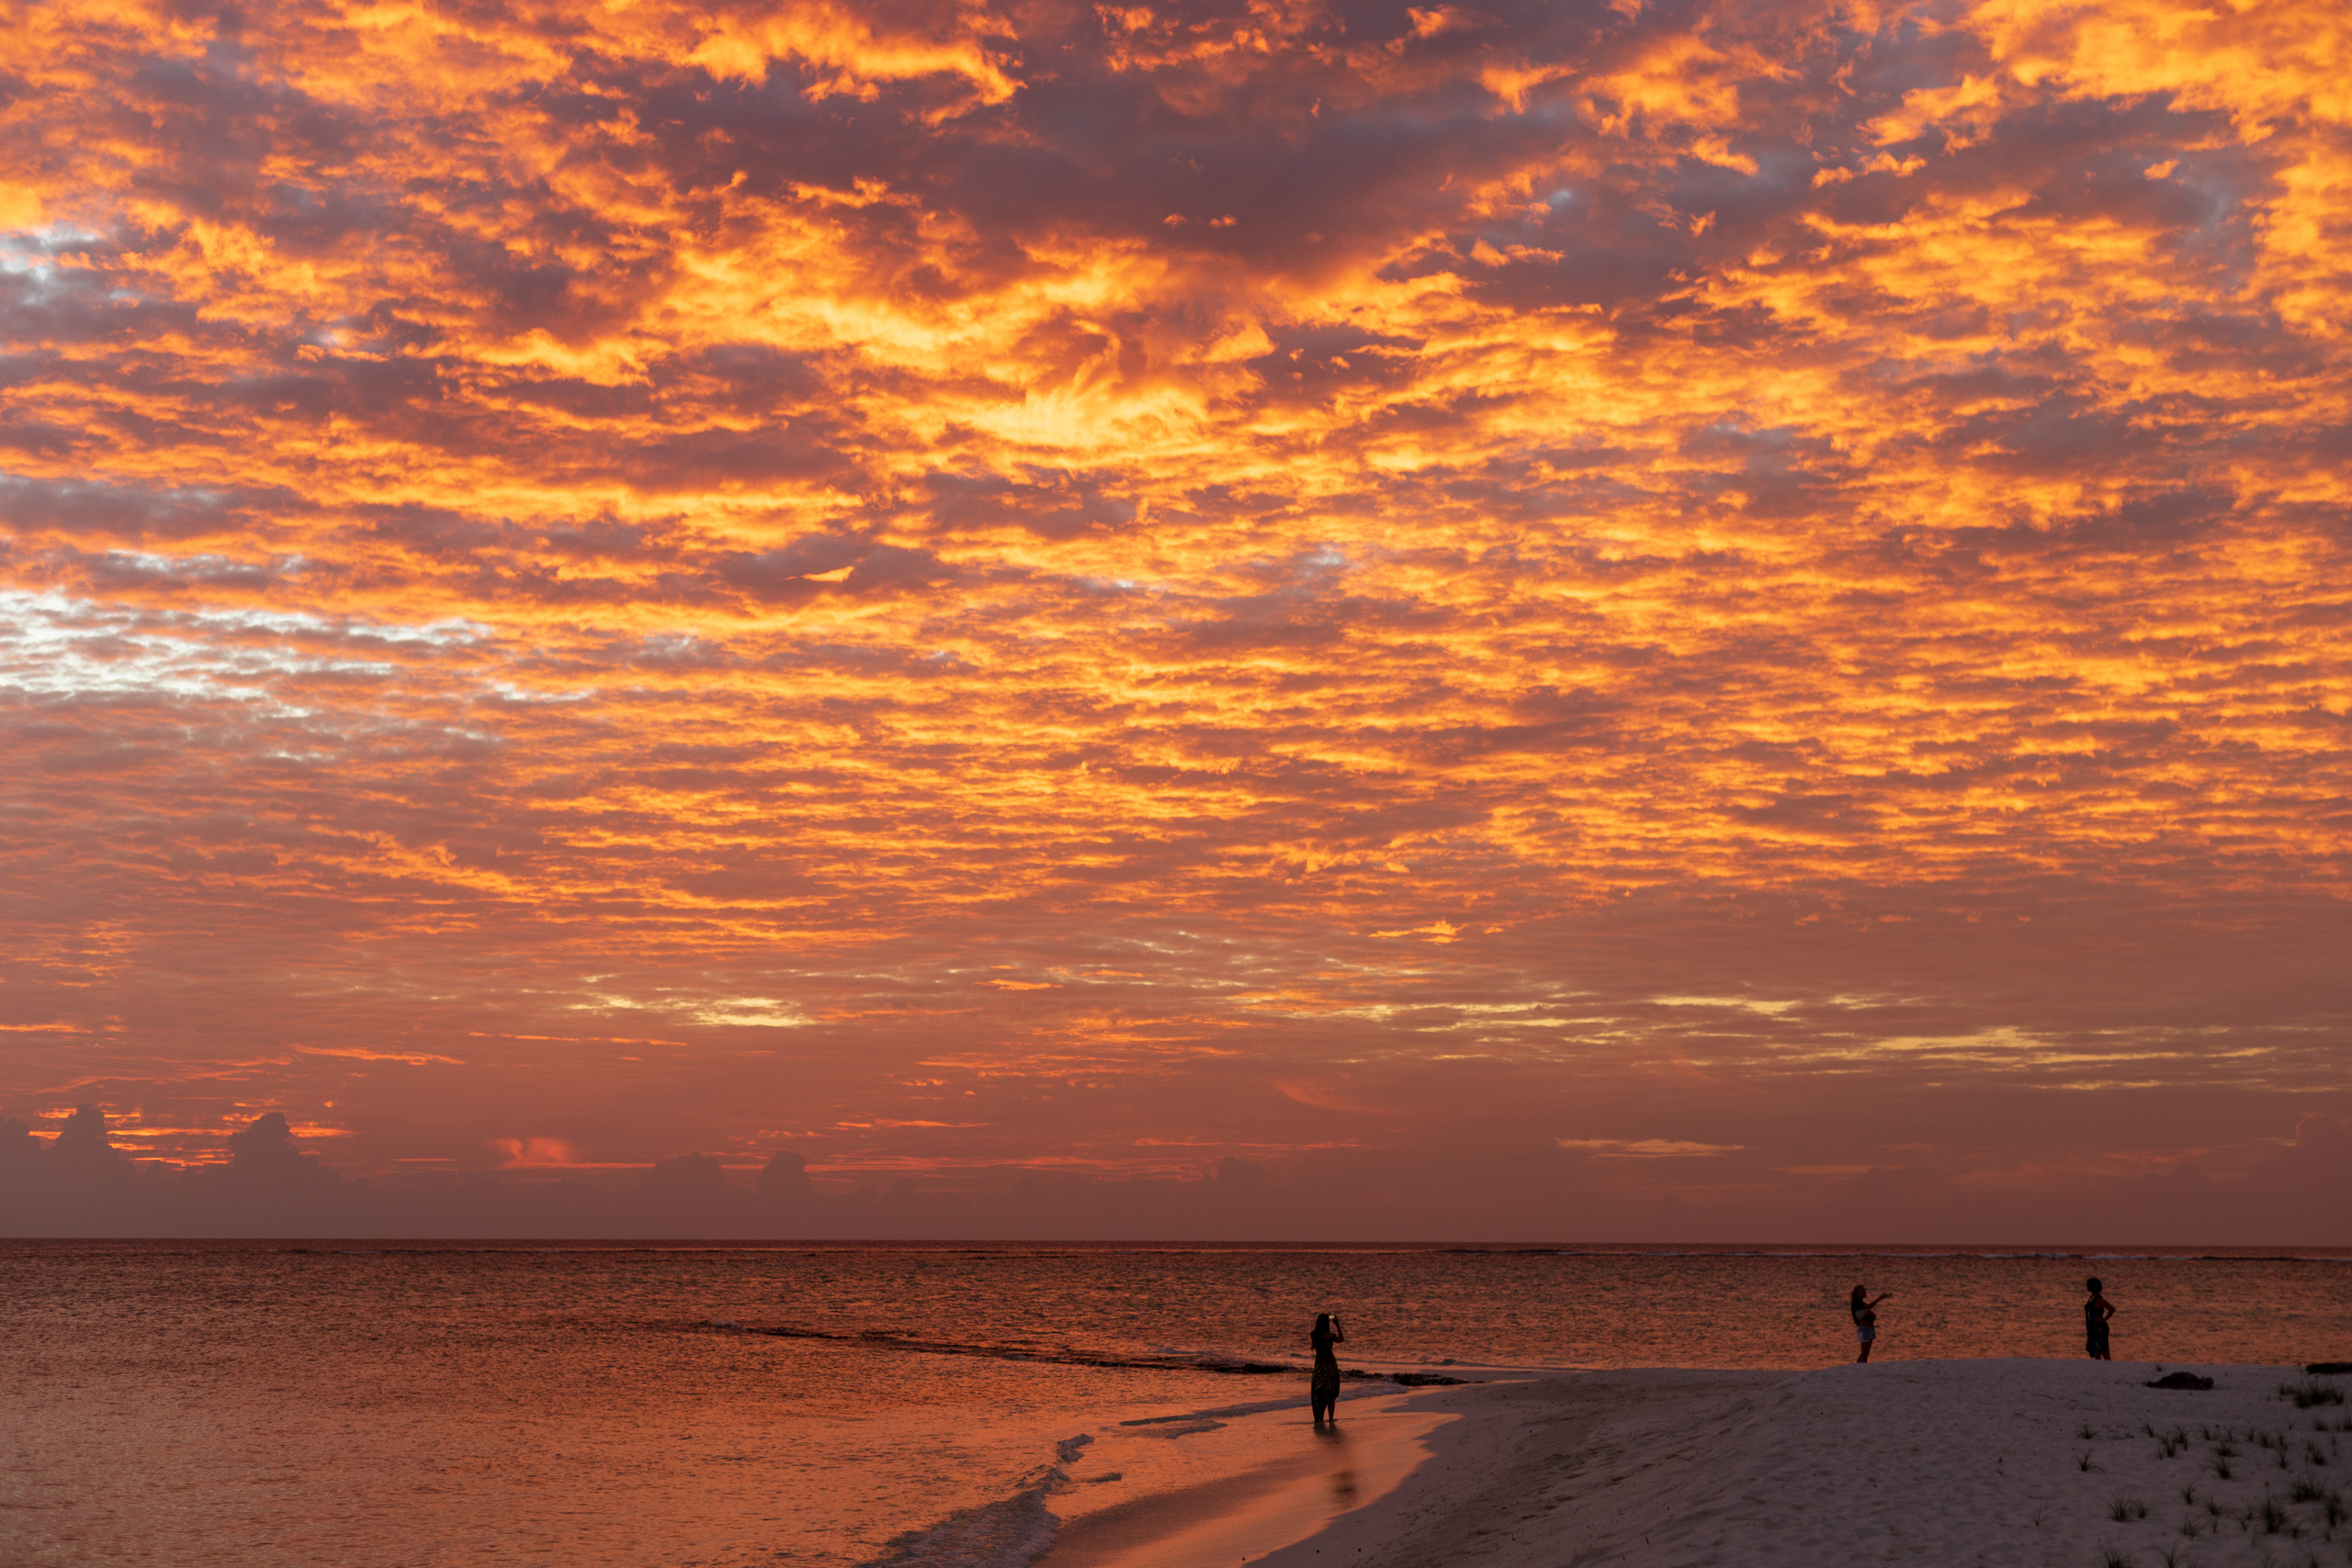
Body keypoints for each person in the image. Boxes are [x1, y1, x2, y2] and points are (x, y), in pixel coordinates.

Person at [1309, 1312, 1345, 1425]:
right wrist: (1337, 1325)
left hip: (1320, 1366)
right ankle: (1330, 1418)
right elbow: (1341, 1339)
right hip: (1329, 1365)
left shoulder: (1314, 1334)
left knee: (1319, 1392)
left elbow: (1339, 1339)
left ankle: (1319, 1417)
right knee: (1330, 1393)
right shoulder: (1329, 1336)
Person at [1849, 1284, 1891, 1362]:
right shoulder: (1856, 1302)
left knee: (1866, 1353)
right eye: (1862, 1290)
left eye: (1865, 1290)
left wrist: (1871, 1315)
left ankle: (1863, 1366)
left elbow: (1872, 1314)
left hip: (1870, 1328)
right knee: (1864, 1353)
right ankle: (1858, 1367)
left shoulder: (1861, 1303)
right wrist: (1879, 1298)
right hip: (1864, 1329)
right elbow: (1869, 1307)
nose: (1865, 1292)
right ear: (1857, 1292)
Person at [2084, 1278, 2116, 1360]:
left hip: (2099, 1328)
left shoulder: (2098, 1299)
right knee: (2096, 1351)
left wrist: (2104, 1319)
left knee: (2104, 1350)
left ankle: (2108, 1366)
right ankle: (2100, 1367)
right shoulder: (2091, 1297)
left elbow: (2112, 1309)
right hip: (2092, 1328)